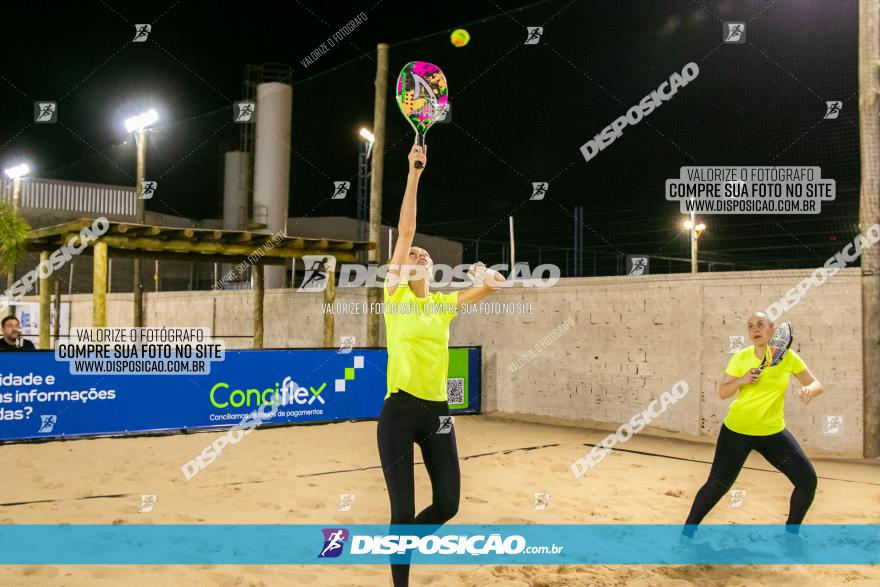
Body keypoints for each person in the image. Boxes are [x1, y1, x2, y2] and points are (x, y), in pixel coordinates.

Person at [377, 142, 505, 586]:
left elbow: (493, 287)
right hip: (398, 413)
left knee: (448, 504)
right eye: (412, 255)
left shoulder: (442, 307)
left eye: (423, 256)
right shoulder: (394, 298)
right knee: (401, 510)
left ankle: (399, 543)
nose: (417, 255)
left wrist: (487, 276)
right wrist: (414, 173)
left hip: (438, 415)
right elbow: (406, 230)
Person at [684, 312, 822, 534]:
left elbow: (816, 383)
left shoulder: (788, 358)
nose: (754, 329)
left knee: (807, 481)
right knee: (718, 485)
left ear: (772, 331)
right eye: (750, 326)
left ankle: (791, 534)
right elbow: (722, 392)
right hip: (737, 431)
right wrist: (742, 380)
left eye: (760, 324)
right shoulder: (741, 358)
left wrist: (809, 390)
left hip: (772, 432)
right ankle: (687, 533)